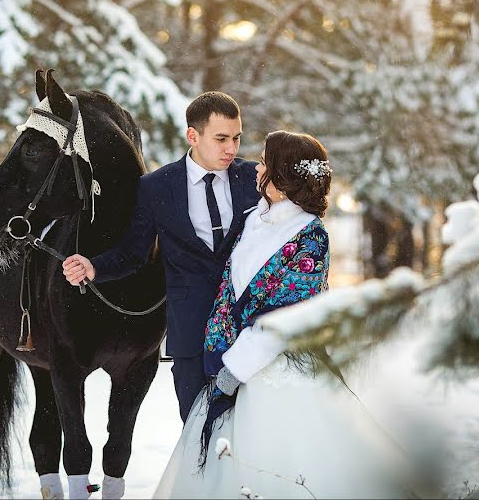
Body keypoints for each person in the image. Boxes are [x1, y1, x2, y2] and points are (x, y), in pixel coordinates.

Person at [153, 131, 413, 499]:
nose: (257, 167)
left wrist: (235, 371)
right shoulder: (252, 220)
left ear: (283, 176)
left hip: (279, 374)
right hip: (227, 365)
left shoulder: (311, 236)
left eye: (266, 162)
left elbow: (285, 316)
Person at [62, 92, 261, 423]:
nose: (231, 148)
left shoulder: (254, 179)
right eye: (221, 138)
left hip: (248, 332)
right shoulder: (156, 187)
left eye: (236, 138)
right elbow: (134, 253)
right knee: (198, 429)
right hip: (189, 335)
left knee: (252, 433)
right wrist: (94, 266)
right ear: (193, 136)